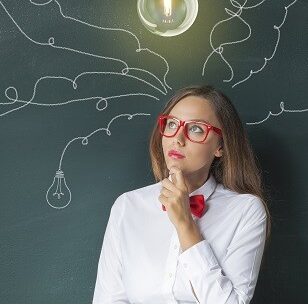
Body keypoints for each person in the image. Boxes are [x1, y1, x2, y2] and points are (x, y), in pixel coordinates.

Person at [93, 85, 270, 303]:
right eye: (172, 124)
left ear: (220, 147)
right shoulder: (128, 206)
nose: (178, 138)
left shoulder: (245, 210)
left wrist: (185, 224)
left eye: (196, 129)